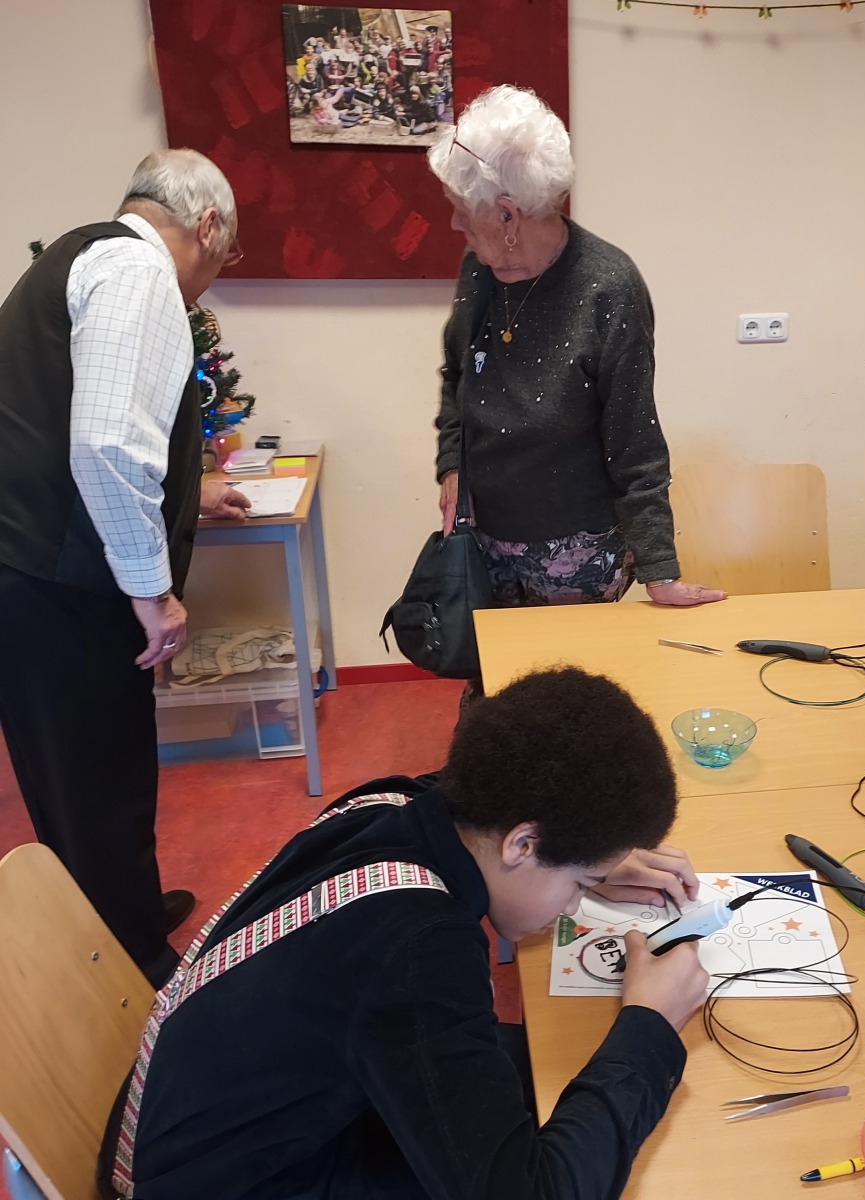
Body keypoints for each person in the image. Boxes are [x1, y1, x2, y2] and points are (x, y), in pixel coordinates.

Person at [100, 666, 709, 1199]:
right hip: (222, 1181)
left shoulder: (394, 801)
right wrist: (650, 1026)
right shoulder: (420, 950)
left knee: (553, 1064)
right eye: (580, 883)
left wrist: (593, 857)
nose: (577, 904)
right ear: (522, 844)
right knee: (600, 1104)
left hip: (194, 1114)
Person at [0, 149, 249, 988]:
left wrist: (189, 492)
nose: (209, 282)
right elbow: (107, 445)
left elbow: (72, 422)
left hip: (23, 570)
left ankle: (121, 916)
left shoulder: (81, 255)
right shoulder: (140, 273)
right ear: (206, 225)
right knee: (101, 783)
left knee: (68, 780)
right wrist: (154, 593)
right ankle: (135, 971)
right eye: (223, 258)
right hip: (61, 584)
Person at [427, 86, 725, 696]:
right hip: (482, 542)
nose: (454, 221)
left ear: (507, 215)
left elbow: (635, 440)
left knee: (566, 710)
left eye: (461, 207)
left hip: (576, 559)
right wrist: (451, 465)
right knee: (492, 701)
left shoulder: (607, 288)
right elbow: (457, 377)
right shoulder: (478, 269)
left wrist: (660, 569)